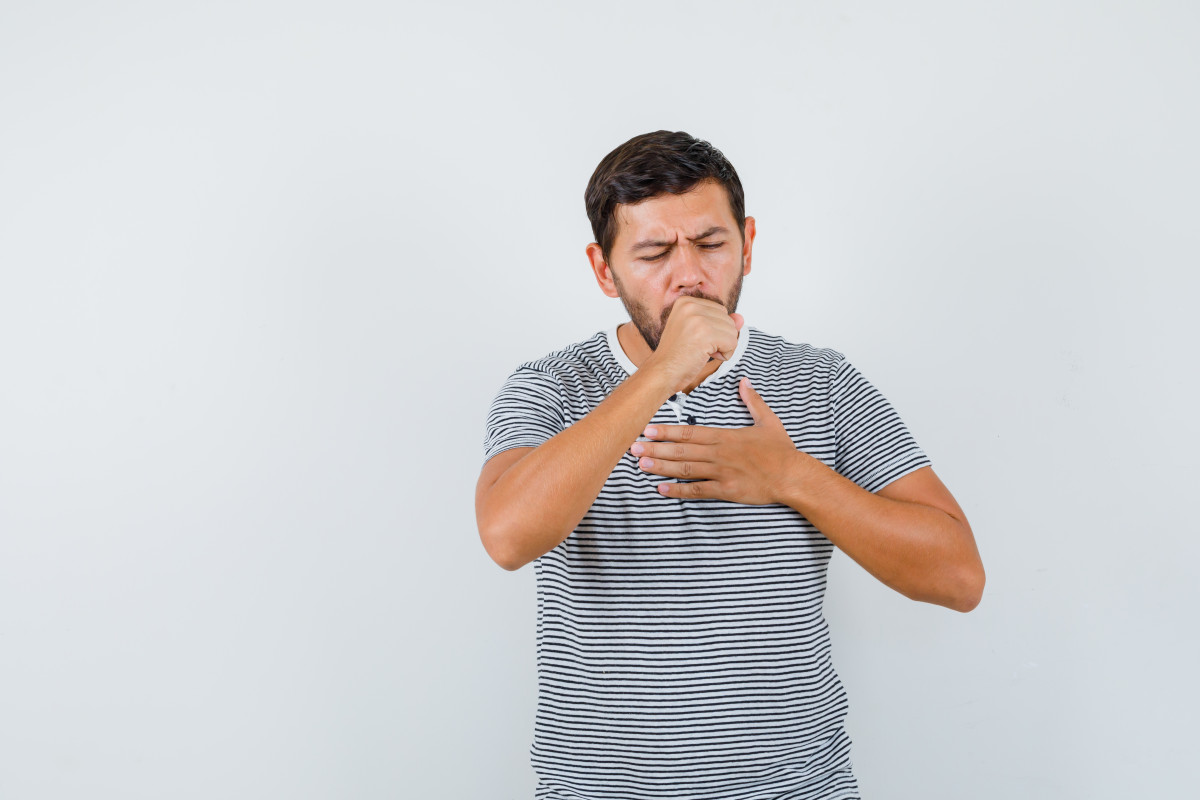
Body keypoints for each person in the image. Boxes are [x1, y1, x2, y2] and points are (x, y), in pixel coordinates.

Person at [475, 130, 985, 800]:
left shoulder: (822, 382)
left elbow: (958, 576)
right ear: (605, 270)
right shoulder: (551, 387)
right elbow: (508, 536)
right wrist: (660, 375)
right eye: (655, 252)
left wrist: (791, 477)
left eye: (711, 244)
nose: (689, 275)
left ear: (746, 241)